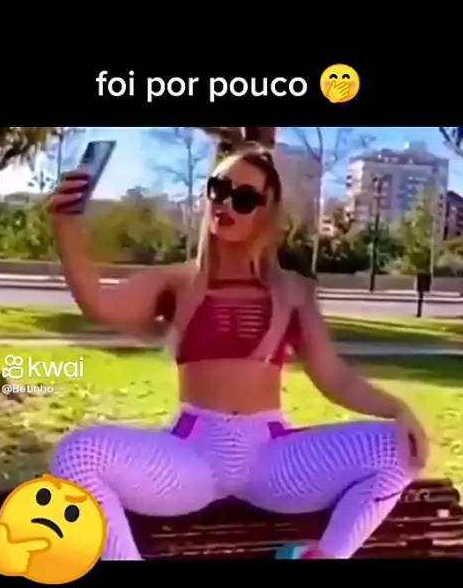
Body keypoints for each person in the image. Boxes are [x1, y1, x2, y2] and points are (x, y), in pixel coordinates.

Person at [47, 127, 428, 560]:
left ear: (266, 213)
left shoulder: (293, 291)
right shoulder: (178, 282)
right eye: (219, 189)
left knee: (399, 449)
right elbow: (99, 303)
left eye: (244, 198)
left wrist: (398, 410)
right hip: (190, 457)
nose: (226, 203)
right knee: (77, 456)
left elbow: (333, 377)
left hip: (271, 458)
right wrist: (66, 228)